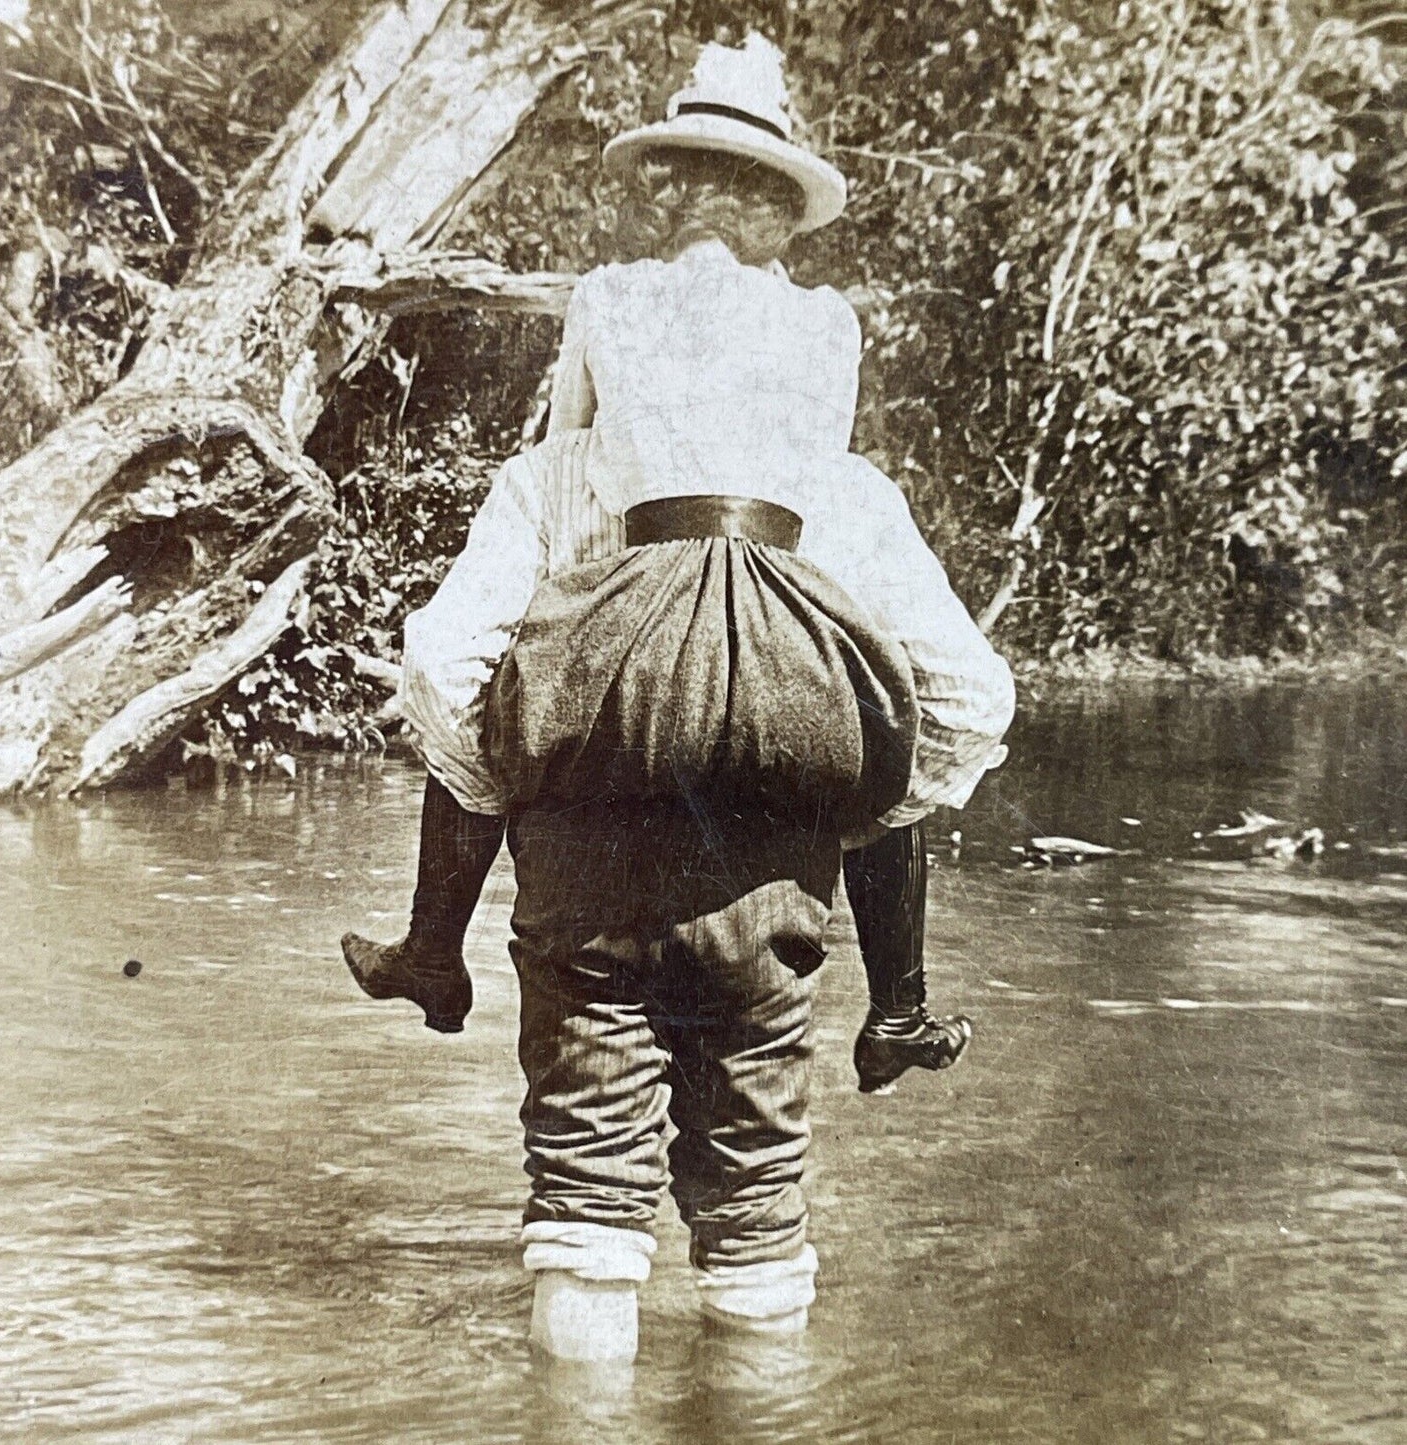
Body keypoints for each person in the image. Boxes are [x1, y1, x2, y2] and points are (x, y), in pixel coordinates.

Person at [346, 36, 1016, 1361]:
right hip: (773, 895)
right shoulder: (839, 499)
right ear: (777, 228)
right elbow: (963, 700)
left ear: (649, 213)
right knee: (759, 1211)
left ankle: (430, 954)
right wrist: (852, 788)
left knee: (588, 1207)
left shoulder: (557, 483)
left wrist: (520, 779)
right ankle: (896, 1009)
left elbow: (445, 667)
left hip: (585, 890)